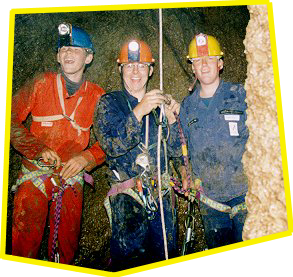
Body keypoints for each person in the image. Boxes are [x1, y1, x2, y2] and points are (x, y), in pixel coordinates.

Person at [10, 22, 105, 264]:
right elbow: (8, 118)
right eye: (63, 50)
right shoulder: (41, 84)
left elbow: (110, 139)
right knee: (23, 243)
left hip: (70, 177)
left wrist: (87, 157)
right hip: (34, 174)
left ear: (89, 57)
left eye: (75, 49)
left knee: (66, 249)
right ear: (57, 56)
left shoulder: (97, 95)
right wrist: (37, 149)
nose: (68, 53)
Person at [94, 39, 181, 270]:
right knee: (130, 260)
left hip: (161, 194)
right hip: (128, 196)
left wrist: (173, 119)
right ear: (120, 68)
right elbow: (112, 145)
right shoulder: (110, 103)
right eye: (129, 65)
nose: (135, 71)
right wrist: (139, 110)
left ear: (151, 71)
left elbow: (175, 151)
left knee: (166, 256)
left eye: (142, 66)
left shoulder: (161, 105)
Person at [179, 33, 249, 249]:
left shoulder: (241, 95)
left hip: (245, 194)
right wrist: (184, 172)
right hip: (210, 201)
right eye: (198, 61)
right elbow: (182, 150)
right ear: (192, 67)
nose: (204, 65)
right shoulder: (187, 107)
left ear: (220, 63)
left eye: (210, 59)